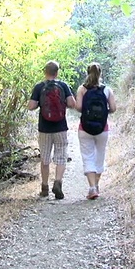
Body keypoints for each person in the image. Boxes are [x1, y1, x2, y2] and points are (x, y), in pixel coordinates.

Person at [28, 61, 76, 199]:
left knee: (45, 158)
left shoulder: (39, 87)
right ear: (57, 72)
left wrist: (40, 104)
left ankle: (44, 188)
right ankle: (58, 183)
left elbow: (31, 106)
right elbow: (72, 104)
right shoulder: (63, 86)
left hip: (44, 128)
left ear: (45, 72)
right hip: (60, 127)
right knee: (61, 156)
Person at [75, 62, 117, 200]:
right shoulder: (107, 90)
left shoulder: (82, 89)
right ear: (100, 73)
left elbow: (78, 107)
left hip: (85, 128)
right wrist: (103, 112)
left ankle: (92, 187)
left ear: (87, 73)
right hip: (102, 128)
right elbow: (113, 108)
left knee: (88, 156)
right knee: (100, 156)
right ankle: (96, 185)